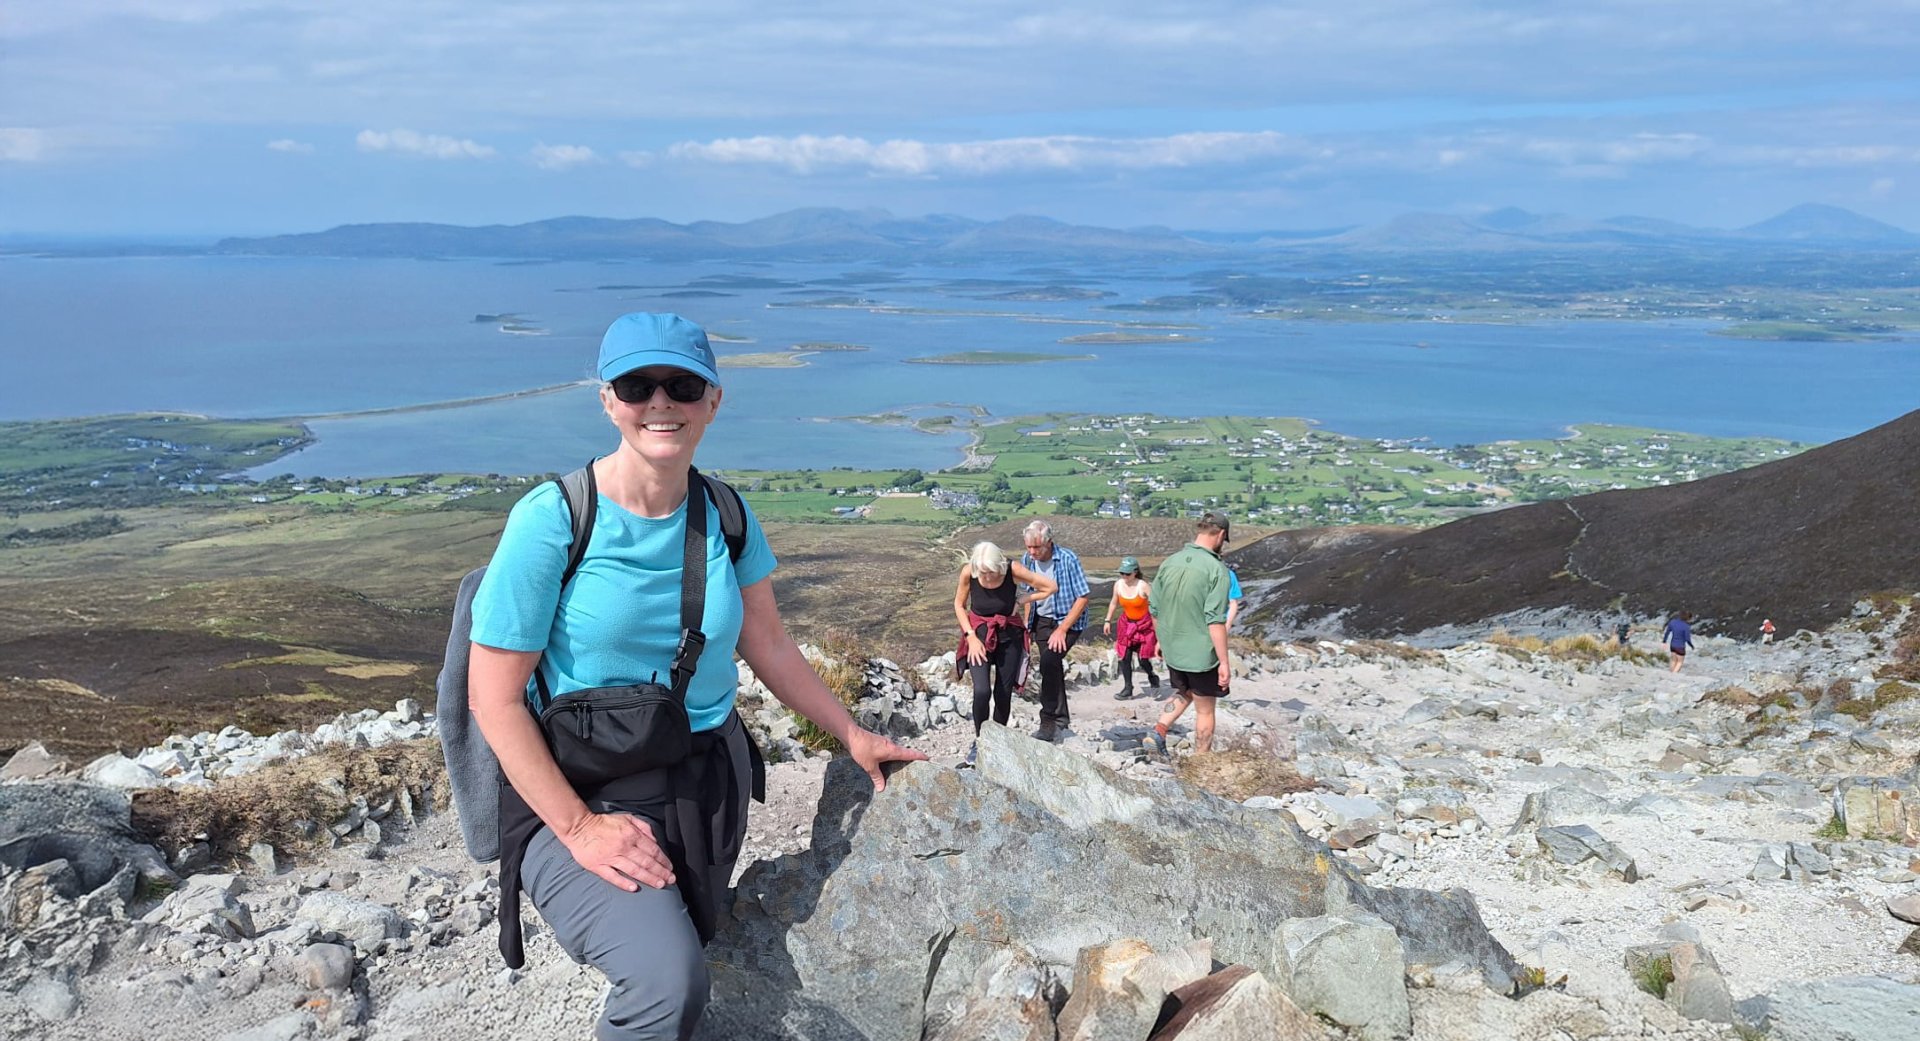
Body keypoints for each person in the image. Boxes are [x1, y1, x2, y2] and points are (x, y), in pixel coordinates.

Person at [467, 312, 926, 1041]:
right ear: (607, 399)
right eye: (636, 384)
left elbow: (768, 644)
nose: (660, 403)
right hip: (576, 790)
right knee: (664, 980)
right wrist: (582, 828)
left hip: (700, 786)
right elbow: (492, 699)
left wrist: (851, 733)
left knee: (694, 960)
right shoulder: (553, 520)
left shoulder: (726, 514)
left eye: (682, 385)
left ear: (713, 399)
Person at [954, 541, 1056, 765]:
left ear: (999, 565)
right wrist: (970, 636)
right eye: (983, 573)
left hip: (1010, 636)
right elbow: (959, 605)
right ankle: (980, 741)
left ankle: (996, 740)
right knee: (981, 691)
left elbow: (1050, 587)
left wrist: (1022, 599)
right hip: (979, 635)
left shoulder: (1013, 569)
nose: (987, 577)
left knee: (1003, 692)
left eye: (991, 572)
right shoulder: (969, 572)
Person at [1147, 512, 1234, 756]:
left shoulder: (1170, 561)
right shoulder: (1217, 570)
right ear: (1221, 535)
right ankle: (1201, 761)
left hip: (1174, 647)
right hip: (1201, 653)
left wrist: (1161, 640)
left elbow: (1154, 608)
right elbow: (1215, 620)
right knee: (1205, 708)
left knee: (1185, 691)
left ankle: (1158, 731)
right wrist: (1224, 663)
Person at [1019, 520, 1090, 742]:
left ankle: (1048, 720)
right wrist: (1026, 626)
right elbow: (1029, 594)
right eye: (1029, 547)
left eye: (1037, 547)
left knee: (1049, 661)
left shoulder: (1068, 559)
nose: (1032, 552)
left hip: (1067, 620)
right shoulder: (1026, 560)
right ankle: (1062, 718)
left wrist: (1062, 629)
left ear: (1049, 542)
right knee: (1052, 665)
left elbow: (1083, 597)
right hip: (1041, 620)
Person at [1101, 556, 1159, 700]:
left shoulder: (1143, 586)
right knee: (1124, 657)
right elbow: (1114, 603)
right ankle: (1128, 688)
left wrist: (1159, 631)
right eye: (1122, 573)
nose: (1124, 576)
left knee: (1143, 659)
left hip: (1144, 626)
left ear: (1135, 572)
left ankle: (1152, 677)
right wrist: (1107, 620)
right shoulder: (1118, 585)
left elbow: (1156, 607)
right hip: (1127, 624)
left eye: (1127, 574)